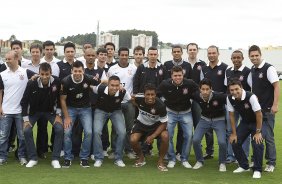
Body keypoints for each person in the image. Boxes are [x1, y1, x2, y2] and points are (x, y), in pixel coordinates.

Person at [20, 63, 63, 168]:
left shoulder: (57, 81)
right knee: (26, 130)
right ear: (38, 73)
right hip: (34, 113)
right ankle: (33, 158)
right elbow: (24, 102)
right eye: (42, 74)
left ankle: (55, 159)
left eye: (47, 74)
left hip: (50, 112)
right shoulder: (32, 83)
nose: (44, 76)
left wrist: (58, 114)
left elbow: (59, 99)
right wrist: (25, 119)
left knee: (59, 129)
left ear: (51, 73)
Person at [60, 61, 100, 168]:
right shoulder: (66, 81)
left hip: (85, 109)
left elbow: (102, 82)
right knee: (67, 132)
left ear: (83, 71)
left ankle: (84, 157)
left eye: (80, 71)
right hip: (70, 109)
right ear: (71, 71)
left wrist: (117, 85)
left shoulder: (88, 78)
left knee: (89, 132)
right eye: (75, 71)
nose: (77, 73)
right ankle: (68, 158)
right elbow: (62, 100)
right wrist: (67, 117)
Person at [247, 45, 280, 172]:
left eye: (256, 55)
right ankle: (255, 159)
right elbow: (252, 87)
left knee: (269, 137)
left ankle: (271, 162)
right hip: (256, 111)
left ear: (261, 55)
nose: (254, 58)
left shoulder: (268, 68)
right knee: (255, 136)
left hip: (268, 110)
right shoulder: (252, 70)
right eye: (252, 56)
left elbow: (276, 87)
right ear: (249, 57)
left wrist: (275, 104)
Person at [158, 66, 198, 169]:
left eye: (179, 75)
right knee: (169, 136)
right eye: (175, 76)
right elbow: (157, 95)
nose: (177, 78)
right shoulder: (165, 84)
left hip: (186, 112)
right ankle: (172, 158)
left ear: (183, 75)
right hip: (170, 112)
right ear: (171, 76)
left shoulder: (190, 83)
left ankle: (184, 159)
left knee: (189, 136)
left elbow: (199, 92)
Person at [0, 51, 34, 165]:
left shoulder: (25, 72)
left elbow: (40, 75)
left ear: (16, 58)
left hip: (21, 111)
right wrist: (0, 106)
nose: (7, 61)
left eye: (9, 59)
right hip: (6, 110)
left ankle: (22, 156)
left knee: (22, 136)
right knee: (3, 136)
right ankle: (2, 157)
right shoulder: (2, 74)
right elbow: (0, 92)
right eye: (6, 59)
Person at [227, 79, 264, 179]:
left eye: (236, 89)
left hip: (257, 123)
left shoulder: (250, 96)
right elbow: (231, 115)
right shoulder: (229, 98)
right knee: (234, 141)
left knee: (257, 143)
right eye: (231, 90)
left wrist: (258, 132)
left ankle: (257, 169)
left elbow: (259, 114)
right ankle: (244, 166)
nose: (234, 92)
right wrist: (234, 133)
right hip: (245, 122)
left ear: (241, 88)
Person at [163, 44, 193, 161]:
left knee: (187, 135)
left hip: (185, 109)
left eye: (178, 51)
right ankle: (171, 156)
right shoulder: (167, 64)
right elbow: (165, 84)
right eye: (174, 51)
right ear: (172, 53)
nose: (176, 53)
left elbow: (191, 84)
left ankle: (182, 155)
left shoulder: (187, 66)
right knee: (168, 135)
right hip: (171, 110)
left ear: (182, 52)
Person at [130, 84, 169, 171]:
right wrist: (137, 105)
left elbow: (164, 123)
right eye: (148, 94)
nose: (150, 97)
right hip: (141, 124)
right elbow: (132, 98)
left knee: (165, 136)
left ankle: (160, 161)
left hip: (156, 125)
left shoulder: (161, 106)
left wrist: (153, 136)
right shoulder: (139, 98)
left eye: (152, 94)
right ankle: (141, 158)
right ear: (144, 95)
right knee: (133, 140)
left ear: (155, 95)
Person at [107, 47, 137, 159]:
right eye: (122, 55)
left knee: (129, 127)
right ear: (118, 55)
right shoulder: (112, 69)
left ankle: (128, 150)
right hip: (116, 102)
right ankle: (114, 150)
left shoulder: (133, 68)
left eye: (126, 55)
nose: (124, 57)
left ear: (128, 56)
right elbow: (108, 84)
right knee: (116, 127)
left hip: (129, 102)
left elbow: (136, 83)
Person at [93, 76, 129, 168]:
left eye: (117, 85)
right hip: (100, 111)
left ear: (120, 85)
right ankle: (98, 158)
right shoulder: (100, 89)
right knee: (97, 131)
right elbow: (91, 86)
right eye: (112, 85)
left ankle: (118, 158)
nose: (114, 88)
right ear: (108, 85)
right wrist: (103, 81)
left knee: (122, 132)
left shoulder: (123, 92)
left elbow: (129, 99)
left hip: (116, 111)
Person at [192, 78, 227, 172]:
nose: (205, 92)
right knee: (195, 140)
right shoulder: (197, 96)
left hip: (219, 120)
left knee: (222, 142)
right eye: (203, 89)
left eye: (207, 89)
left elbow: (232, 97)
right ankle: (199, 161)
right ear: (200, 89)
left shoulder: (219, 96)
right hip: (204, 120)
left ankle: (222, 162)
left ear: (211, 89)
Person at [200, 45, 229, 159]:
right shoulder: (204, 68)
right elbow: (201, 85)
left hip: (222, 104)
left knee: (226, 130)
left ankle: (227, 154)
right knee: (208, 130)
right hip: (207, 103)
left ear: (218, 53)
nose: (211, 55)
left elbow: (227, 86)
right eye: (209, 53)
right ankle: (209, 151)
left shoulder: (225, 68)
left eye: (213, 53)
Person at [224, 50, 251, 163]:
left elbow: (251, 88)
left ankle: (243, 155)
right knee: (230, 130)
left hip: (245, 106)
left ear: (242, 58)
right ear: (231, 59)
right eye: (234, 58)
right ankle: (230, 155)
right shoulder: (228, 71)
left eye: (238, 57)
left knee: (245, 130)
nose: (236, 60)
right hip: (232, 105)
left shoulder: (248, 71)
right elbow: (226, 87)